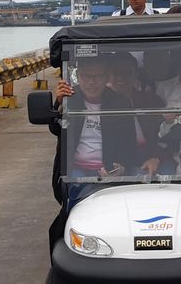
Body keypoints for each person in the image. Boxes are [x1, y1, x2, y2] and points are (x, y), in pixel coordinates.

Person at [50, 57, 136, 204]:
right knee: (74, 201)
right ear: (77, 76)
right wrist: (58, 104)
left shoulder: (120, 103)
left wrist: (121, 166)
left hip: (109, 169)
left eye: (97, 76)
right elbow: (56, 129)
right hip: (76, 169)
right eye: (85, 76)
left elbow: (129, 142)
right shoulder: (69, 98)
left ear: (107, 77)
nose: (91, 82)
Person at [107, 52, 170, 174]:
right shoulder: (99, 103)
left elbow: (166, 136)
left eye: (127, 73)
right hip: (118, 160)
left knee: (171, 178)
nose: (121, 78)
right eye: (116, 72)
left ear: (136, 75)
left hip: (150, 154)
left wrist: (156, 158)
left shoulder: (151, 101)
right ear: (109, 74)